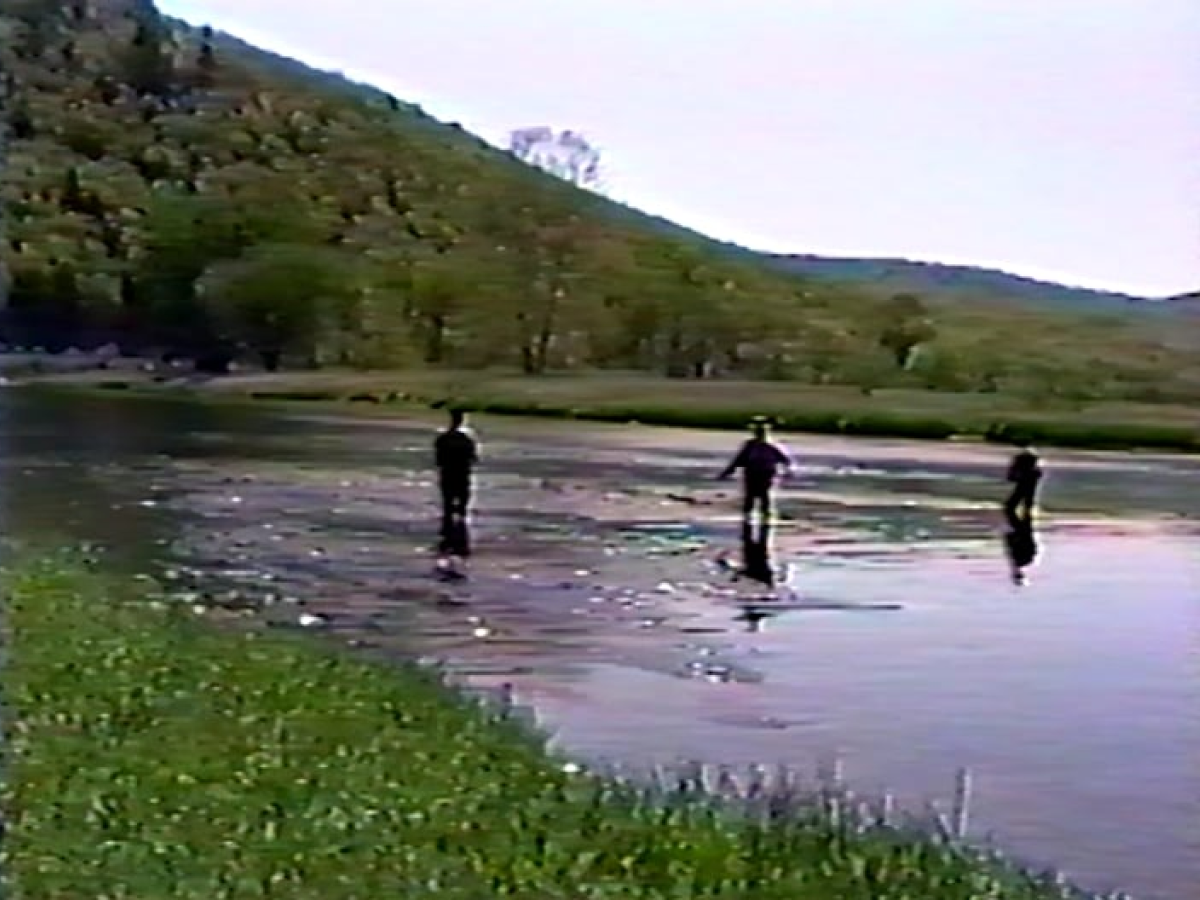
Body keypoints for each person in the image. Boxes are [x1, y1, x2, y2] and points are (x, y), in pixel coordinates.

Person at [718, 417, 793, 541]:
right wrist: (728, 472)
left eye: (761, 431)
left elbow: (787, 461)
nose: (758, 434)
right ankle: (748, 521)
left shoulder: (773, 446)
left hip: (766, 475)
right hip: (751, 474)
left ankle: (767, 520)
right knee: (750, 499)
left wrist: (788, 471)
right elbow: (739, 460)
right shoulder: (749, 445)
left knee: (765, 498)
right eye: (757, 431)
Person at [434, 408, 479, 558]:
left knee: (447, 507)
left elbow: (438, 460)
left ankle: (447, 535)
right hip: (462, 475)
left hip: (448, 474)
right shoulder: (467, 438)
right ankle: (460, 533)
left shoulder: (443, 438)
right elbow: (474, 459)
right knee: (462, 507)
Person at [1003, 440, 1042, 527]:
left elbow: (1013, 470)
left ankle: (1023, 520)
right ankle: (1025, 519)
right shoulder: (1030, 457)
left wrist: (1013, 475)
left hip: (1027, 479)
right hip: (1028, 479)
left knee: (1012, 505)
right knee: (1024, 501)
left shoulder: (1025, 457)